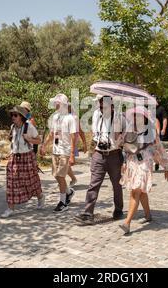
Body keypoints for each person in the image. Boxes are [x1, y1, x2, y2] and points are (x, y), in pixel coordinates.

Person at [118, 106, 168, 235]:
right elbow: (123, 146)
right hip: (132, 163)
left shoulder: (151, 132)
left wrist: (166, 167)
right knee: (141, 192)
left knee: (135, 191)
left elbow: (160, 148)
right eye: (135, 115)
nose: (137, 118)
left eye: (140, 116)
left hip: (145, 163)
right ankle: (148, 215)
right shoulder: (129, 130)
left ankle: (127, 223)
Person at [74, 95, 125, 225]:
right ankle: (87, 213)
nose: (102, 109)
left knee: (117, 185)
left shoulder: (119, 117)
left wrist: (121, 138)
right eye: (101, 106)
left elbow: (127, 133)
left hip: (114, 154)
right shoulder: (97, 114)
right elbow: (95, 134)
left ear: (112, 106)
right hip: (99, 154)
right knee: (93, 184)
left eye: (105, 107)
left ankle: (118, 210)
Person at [1, 105, 45, 218]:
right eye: (12, 115)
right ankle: (10, 208)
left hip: (27, 157)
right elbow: (12, 140)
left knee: (31, 181)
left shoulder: (28, 126)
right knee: (11, 182)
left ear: (21, 116)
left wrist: (29, 139)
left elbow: (39, 140)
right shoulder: (13, 127)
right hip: (15, 157)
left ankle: (40, 197)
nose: (13, 117)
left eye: (15, 115)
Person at [39, 94, 76, 213]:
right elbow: (51, 134)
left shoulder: (70, 118)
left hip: (65, 151)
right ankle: (69, 192)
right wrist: (44, 145)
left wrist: (72, 154)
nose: (55, 105)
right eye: (55, 103)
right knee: (56, 175)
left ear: (63, 104)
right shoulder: (55, 117)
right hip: (55, 150)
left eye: (58, 103)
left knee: (60, 176)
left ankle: (63, 202)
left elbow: (73, 137)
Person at [67, 104, 87, 187]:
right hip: (63, 143)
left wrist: (84, 143)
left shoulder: (75, 118)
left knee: (66, 163)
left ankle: (71, 179)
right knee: (64, 163)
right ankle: (68, 179)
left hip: (71, 143)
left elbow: (81, 131)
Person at [154, 101, 168, 171]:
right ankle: (156, 162)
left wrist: (163, 129)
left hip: (156, 133)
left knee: (157, 150)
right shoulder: (149, 108)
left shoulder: (161, 109)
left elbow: (165, 119)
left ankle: (158, 162)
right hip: (149, 134)